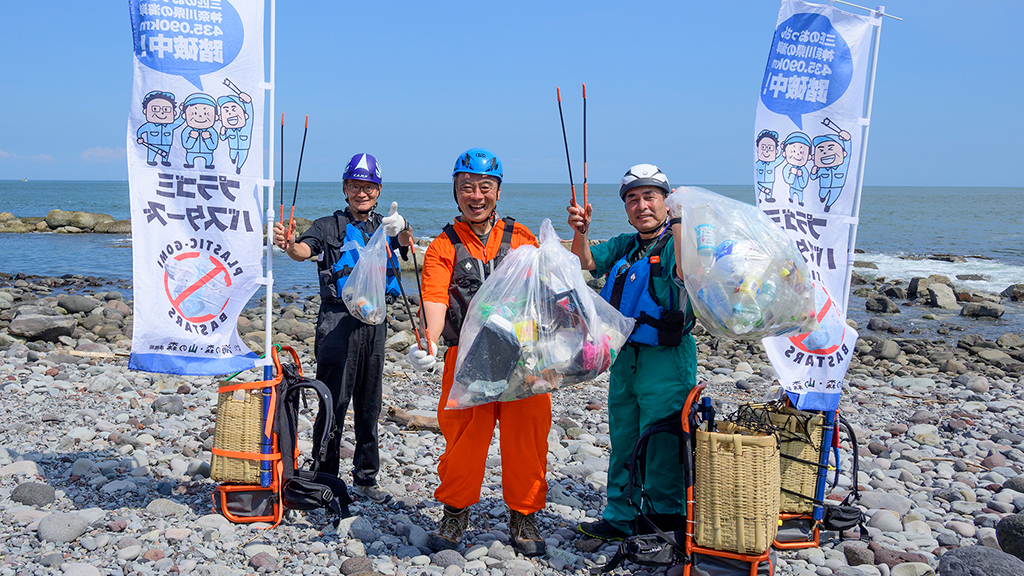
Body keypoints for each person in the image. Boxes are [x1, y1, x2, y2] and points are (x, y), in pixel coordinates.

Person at [406, 148, 549, 556]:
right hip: (466, 358)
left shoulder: (522, 238)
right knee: (462, 439)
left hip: (523, 359)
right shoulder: (442, 245)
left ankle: (524, 513)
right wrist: (431, 341)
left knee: (528, 437)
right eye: (466, 186)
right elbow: (433, 296)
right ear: (455, 192)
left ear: (498, 193)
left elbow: (547, 289)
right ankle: (455, 511)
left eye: (484, 186)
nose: (476, 195)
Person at [566, 164, 697, 540]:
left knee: (661, 441)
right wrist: (581, 232)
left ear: (666, 201)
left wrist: (681, 221)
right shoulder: (626, 244)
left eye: (650, 197)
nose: (642, 206)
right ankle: (620, 517)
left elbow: (690, 274)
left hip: (667, 361)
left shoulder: (677, 240)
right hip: (625, 359)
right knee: (624, 437)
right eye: (633, 199)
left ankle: (662, 524)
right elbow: (584, 263)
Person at [272, 153, 411, 503]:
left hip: (375, 324)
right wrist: (289, 245)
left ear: (378, 190)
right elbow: (304, 251)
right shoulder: (326, 226)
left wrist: (403, 229)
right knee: (333, 401)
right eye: (355, 186)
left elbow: (406, 245)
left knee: (370, 404)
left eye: (368, 186)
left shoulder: (386, 225)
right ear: (345, 188)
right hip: (337, 323)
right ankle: (324, 476)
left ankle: (366, 478)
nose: (361, 192)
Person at [136, 90, 184, 167]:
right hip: (152, 144)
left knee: (166, 153)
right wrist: (139, 137)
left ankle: (165, 161)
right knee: (152, 153)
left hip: (166, 144)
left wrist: (182, 111)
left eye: (166, 109)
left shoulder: (170, 125)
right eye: (155, 109)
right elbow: (140, 130)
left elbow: (180, 121)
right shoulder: (148, 125)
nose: (161, 113)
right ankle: (150, 160)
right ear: (145, 111)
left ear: (174, 113)